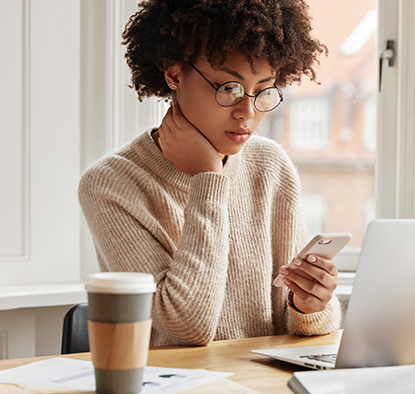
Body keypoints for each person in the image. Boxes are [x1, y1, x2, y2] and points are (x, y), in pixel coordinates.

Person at [78, 0, 341, 347]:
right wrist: (209, 179)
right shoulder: (111, 183)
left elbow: (306, 327)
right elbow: (187, 327)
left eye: (264, 91)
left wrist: (307, 306)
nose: (247, 112)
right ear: (174, 74)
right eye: (228, 88)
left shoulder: (269, 165)